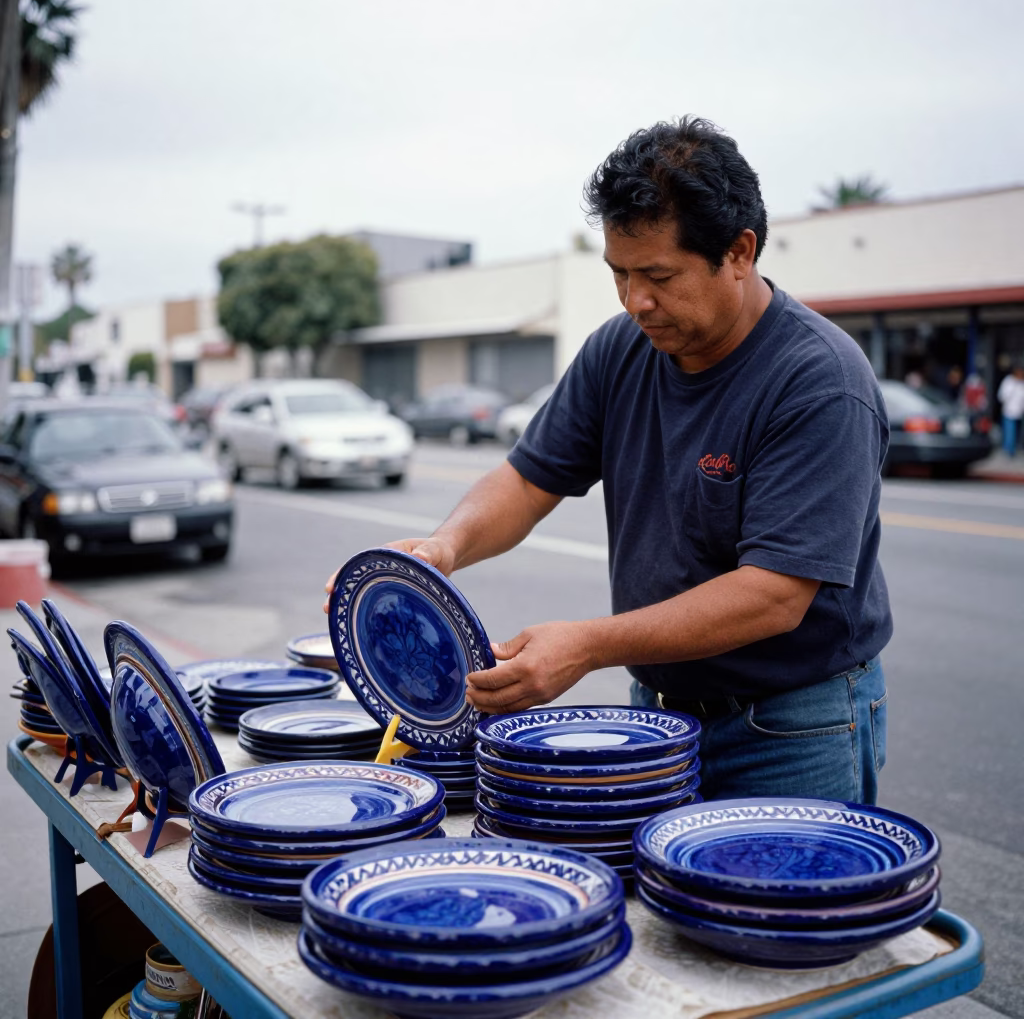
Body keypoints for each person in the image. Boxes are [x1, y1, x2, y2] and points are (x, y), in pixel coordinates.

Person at [327, 117, 892, 805]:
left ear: (739, 252)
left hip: (791, 729)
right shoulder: (619, 349)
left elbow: (773, 595)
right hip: (656, 708)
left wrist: (587, 646)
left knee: (783, 911)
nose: (635, 301)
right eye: (619, 275)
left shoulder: (817, 380)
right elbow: (528, 478)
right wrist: (444, 549)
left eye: (658, 276)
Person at [997, 365, 1024, 457]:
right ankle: (1009, 451)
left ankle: (1014, 448)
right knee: (1009, 432)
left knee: (1017, 433)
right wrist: (1013, 388)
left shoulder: (1022, 383)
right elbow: (1001, 396)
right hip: (1009, 412)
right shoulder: (1008, 382)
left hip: (1020, 413)